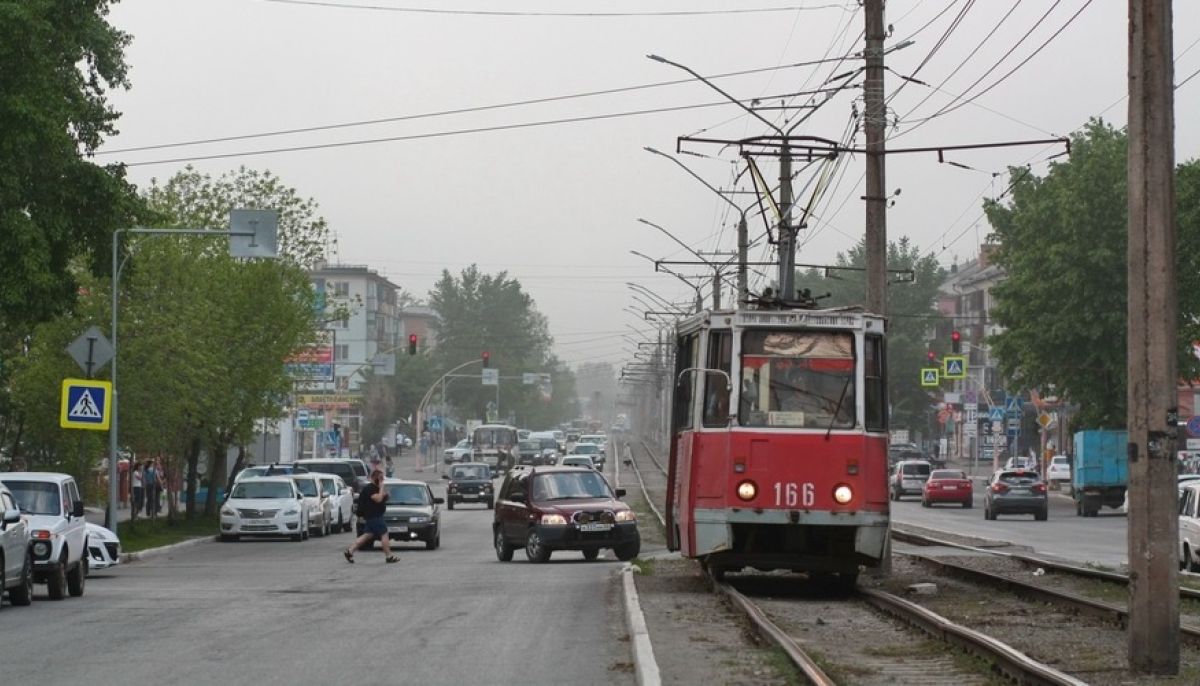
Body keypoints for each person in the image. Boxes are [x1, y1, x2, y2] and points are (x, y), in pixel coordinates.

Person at [344, 471, 398, 564]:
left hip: (373, 516)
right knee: (384, 534)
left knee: (367, 535)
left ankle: (350, 551)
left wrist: (384, 492)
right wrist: (381, 489)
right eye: (380, 478)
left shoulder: (376, 488)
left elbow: (386, 497)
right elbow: (378, 499)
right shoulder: (370, 488)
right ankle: (389, 556)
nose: (382, 480)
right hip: (374, 516)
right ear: (375, 478)